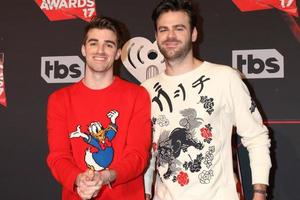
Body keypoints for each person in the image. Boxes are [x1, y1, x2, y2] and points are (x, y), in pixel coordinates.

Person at [142, 0, 272, 200]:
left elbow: (256, 137)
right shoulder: (146, 89)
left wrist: (259, 193)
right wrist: (146, 192)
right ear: (156, 36)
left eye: (179, 28)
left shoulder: (224, 78)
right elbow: (148, 152)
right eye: (163, 30)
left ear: (194, 33)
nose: (170, 36)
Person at [47, 16, 151, 200]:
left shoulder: (137, 95)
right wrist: (79, 179)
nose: (100, 50)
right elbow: (58, 156)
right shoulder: (60, 99)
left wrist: (106, 176)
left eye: (109, 45)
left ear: (118, 53)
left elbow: (138, 155)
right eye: (93, 43)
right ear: (83, 49)